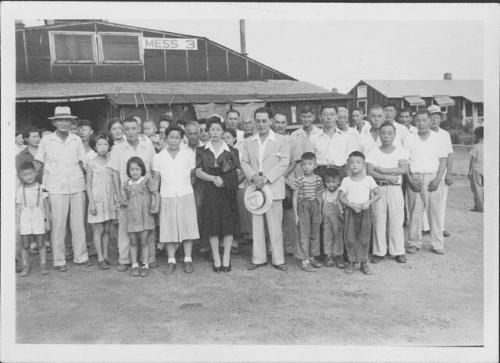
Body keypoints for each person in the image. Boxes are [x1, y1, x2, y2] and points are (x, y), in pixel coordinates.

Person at [34, 106, 92, 271]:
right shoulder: (46, 140)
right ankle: (59, 260)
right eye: (60, 120)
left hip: (76, 185)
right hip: (55, 186)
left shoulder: (76, 140)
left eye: (67, 120)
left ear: (71, 122)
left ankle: (81, 256)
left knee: (78, 224)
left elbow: (84, 163)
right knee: (58, 224)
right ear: (54, 122)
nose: (64, 123)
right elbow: (38, 162)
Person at [241, 107, 290, 271]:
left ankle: (278, 259)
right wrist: (254, 177)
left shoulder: (282, 141)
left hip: (273, 186)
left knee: (275, 225)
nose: (261, 124)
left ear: (270, 121)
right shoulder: (248, 142)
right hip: (255, 188)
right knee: (257, 224)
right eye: (258, 121)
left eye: (264, 121)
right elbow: (244, 162)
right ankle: (258, 258)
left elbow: (284, 163)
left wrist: (267, 178)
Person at [108, 117, 156, 272]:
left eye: (133, 128)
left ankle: (148, 259)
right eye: (126, 129)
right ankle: (125, 259)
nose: (130, 132)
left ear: (139, 129)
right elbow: (114, 174)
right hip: (126, 194)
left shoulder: (147, 146)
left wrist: (154, 194)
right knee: (125, 227)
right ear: (123, 130)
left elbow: (154, 171)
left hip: (145, 194)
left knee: (147, 227)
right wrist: (119, 196)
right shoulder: (117, 149)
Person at [153, 125, 199, 275]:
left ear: (181, 139)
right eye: (171, 137)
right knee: (169, 228)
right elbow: (157, 178)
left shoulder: (188, 153)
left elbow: (193, 174)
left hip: (186, 194)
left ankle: (187, 259)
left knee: (187, 227)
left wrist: (185, 188)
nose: (173, 140)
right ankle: (171, 261)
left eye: (177, 138)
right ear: (165, 138)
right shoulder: (159, 157)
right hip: (167, 195)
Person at [196, 119, 240, 272]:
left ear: (223, 131)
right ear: (208, 132)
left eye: (218, 130)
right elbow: (198, 171)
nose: (215, 133)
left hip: (227, 190)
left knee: (228, 224)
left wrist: (224, 179)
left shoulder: (232, 150)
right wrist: (213, 178)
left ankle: (226, 257)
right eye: (212, 130)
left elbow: (237, 172)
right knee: (212, 224)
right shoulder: (201, 150)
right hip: (210, 190)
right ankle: (216, 257)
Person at [405, 110, 448, 254]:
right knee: (415, 212)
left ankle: (437, 243)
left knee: (434, 212)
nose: (421, 123)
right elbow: (405, 162)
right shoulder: (409, 138)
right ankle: (414, 242)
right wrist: (410, 180)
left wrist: (438, 179)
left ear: (430, 121)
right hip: (415, 177)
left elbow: (443, 161)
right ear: (414, 122)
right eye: (418, 120)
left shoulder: (438, 138)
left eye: (424, 120)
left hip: (432, 178)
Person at [366, 122, 408, 264]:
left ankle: (398, 251)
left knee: (396, 219)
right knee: (379, 219)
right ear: (379, 134)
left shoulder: (400, 150)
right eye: (383, 133)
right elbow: (369, 171)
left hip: (395, 189)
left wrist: (383, 170)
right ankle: (379, 251)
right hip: (379, 189)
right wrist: (387, 176)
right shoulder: (373, 151)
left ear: (395, 135)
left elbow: (403, 169)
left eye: (390, 133)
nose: (386, 136)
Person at [338, 151, 380, 275]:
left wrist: (368, 202)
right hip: (351, 211)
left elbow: (378, 194)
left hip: (365, 211)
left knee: (364, 238)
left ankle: (363, 263)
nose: (354, 165)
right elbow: (341, 197)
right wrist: (351, 205)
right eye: (351, 163)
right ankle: (351, 262)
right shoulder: (346, 180)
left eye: (358, 162)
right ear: (348, 165)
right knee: (350, 237)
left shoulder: (369, 179)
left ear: (363, 165)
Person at [123, 156, 158, 277]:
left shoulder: (146, 181)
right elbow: (125, 199)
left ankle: (146, 265)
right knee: (133, 242)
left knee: (144, 241)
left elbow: (155, 194)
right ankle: (134, 265)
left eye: (137, 169)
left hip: (145, 217)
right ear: (128, 171)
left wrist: (155, 205)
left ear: (142, 169)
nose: (134, 172)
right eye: (132, 169)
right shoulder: (127, 183)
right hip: (132, 218)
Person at [86, 134, 116, 270]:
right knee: (98, 228)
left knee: (107, 229)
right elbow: (88, 184)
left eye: (105, 144)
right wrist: (91, 202)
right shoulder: (91, 162)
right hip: (97, 198)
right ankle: (99, 257)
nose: (103, 147)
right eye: (99, 145)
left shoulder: (112, 161)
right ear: (94, 146)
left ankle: (106, 255)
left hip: (109, 198)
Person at [16, 161, 51, 276]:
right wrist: (18, 224)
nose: (28, 177)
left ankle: (43, 264)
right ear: (21, 176)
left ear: (35, 173)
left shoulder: (43, 187)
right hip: (25, 217)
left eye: (30, 174)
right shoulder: (19, 190)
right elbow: (18, 207)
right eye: (25, 175)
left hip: (38, 216)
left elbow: (46, 204)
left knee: (41, 242)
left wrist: (48, 220)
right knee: (25, 244)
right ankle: (25, 265)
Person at [292, 152, 325, 272]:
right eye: (304, 164)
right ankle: (304, 260)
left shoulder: (318, 179)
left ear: (315, 165)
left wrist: (320, 213)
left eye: (310, 164)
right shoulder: (299, 179)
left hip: (315, 207)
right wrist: (296, 215)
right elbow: (295, 197)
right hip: (303, 208)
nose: (307, 166)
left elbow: (320, 197)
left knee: (314, 233)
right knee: (304, 234)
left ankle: (312, 257)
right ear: (301, 165)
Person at [273, 112, 298, 256]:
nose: (280, 125)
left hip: (286, 180)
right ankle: (274, 246)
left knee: (288, 214)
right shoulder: (269, 140)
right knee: (274, 215)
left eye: (283, 122)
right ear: (272, 123)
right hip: (271, 181)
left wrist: (282, 176)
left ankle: (290, 245)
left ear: (286, 124)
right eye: (277, 122)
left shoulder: (291, 140)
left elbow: (294, 161)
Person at [428, 105, 454, 238]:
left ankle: (440, 227)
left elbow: (449, 154)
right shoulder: (422, 132)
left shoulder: (445, 134)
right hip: (426, 171)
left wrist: (449, 173)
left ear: (441, 119)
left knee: (440, 201)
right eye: (432, 117)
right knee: (424, 199)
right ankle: (425, 227)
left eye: (437, 117)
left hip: (441, 173)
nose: (435, 120)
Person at [311, 104, 357, 179]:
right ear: (320, 117)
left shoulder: (346, 137)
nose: (329, 117)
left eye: (332, 115)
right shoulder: (314, 138)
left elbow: (350, 161)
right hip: (320, 174)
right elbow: (310, 161)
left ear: (336, 117)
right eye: (325, 115)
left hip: (340, 173)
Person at [322, 169, 345, 269]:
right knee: (327, 237)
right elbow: (322, 207)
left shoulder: (340, 193)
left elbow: (343, 207)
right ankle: (328, 256)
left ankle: (339, 256)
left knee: (338, 237)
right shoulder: (324, 193)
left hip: (337, 220)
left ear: (338, 181)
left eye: (333, 182)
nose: (331, 184)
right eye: (328, 182)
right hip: (326, 220)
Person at [468, 126, 484, 212]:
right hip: (486, 170)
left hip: (477, 170)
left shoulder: (476, 146)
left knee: (477, 189)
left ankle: (479, 207)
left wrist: (470, 171)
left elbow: (473, 160)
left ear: (477, 136)